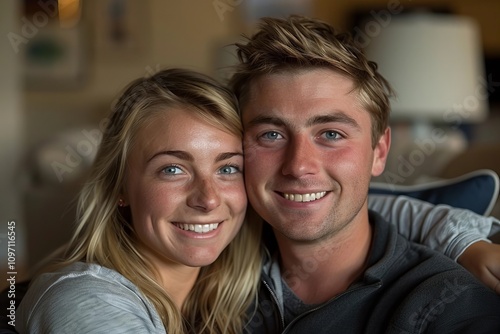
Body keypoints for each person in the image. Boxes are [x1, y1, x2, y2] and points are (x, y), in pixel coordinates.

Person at [229, 15, 500, 333]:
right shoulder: (206, 273)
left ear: (380, 151)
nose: (299, 166)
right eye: (271, 135)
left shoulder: (449, 308)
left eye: (330, 134)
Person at [15, 68, 263, 334]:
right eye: (172, 169)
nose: (209, 199)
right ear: (119, 185)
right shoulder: (88, 301)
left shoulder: (236, 304)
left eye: (227, 169)